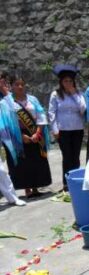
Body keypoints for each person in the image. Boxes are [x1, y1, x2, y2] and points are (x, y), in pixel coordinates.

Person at [1, 73, 52, 198]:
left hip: (35, 133)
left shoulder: (32, 99)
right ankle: (27, 189)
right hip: (16, 136)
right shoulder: (6, 103)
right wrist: (21, 136)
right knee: (23, 163)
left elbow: (41, 116)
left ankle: (36, 187)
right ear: (11, 86)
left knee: (36, 160)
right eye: (16, 84)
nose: (20, 87)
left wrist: (38, 132)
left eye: (22, 84)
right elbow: (6, 123)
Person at [48, 64, 86, 191]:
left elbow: (83, 109)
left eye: (70, 81)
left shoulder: (79, 94)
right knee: (67, 156)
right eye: (65, 81)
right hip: (62, 129)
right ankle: (66, 182)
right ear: (61, 82)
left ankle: (75, 180)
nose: (68, 83)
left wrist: (74, 94)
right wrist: (54, 129)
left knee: (75, 156)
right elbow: (51, 112)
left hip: (77, 128)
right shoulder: (55, 94)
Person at [0, 73, 26, 206]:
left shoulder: (6, 96)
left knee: (1, 170)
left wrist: (5, 92)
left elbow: (14, 109)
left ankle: (12, 198)